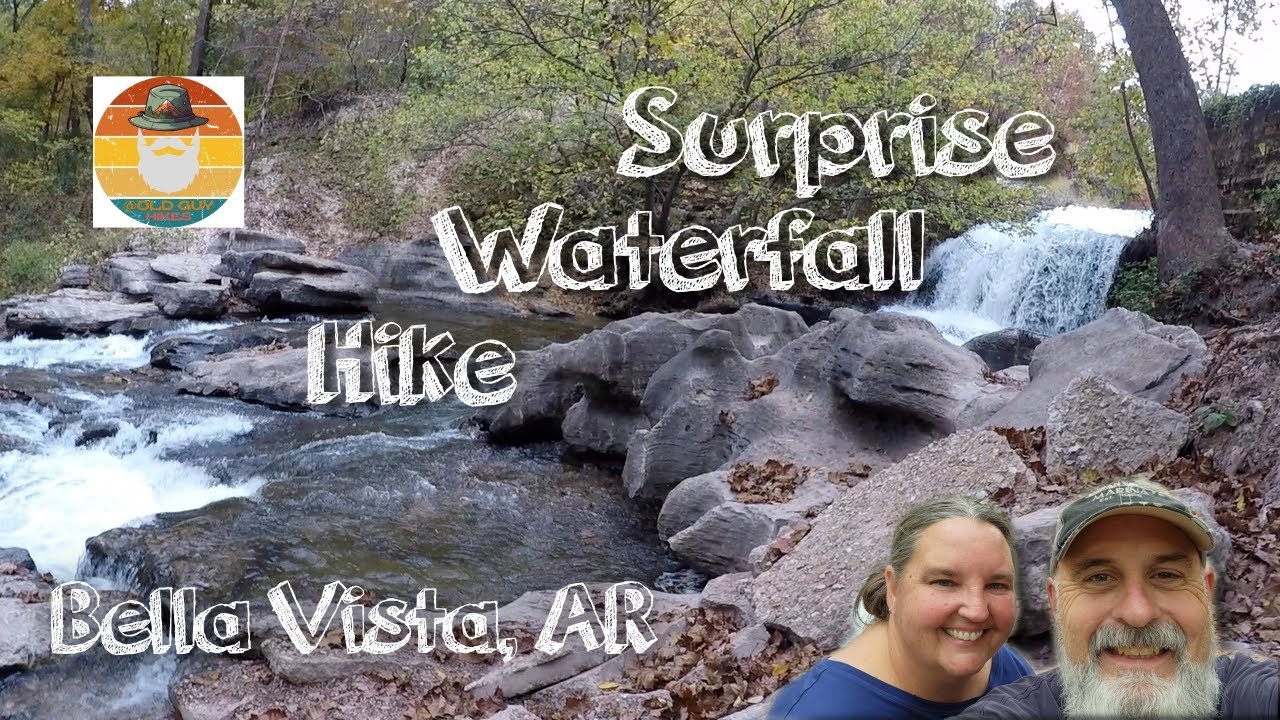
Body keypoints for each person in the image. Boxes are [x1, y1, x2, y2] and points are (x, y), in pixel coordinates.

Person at [949, 477, 1279, 719]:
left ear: (1206, 593)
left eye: (1166, 575)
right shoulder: (1016, 711)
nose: (1138, 613)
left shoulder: (1251, 695)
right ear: (1056, 602)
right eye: (1099, 578)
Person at [768, 495, 1034, 719]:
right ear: (893, 588)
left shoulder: (1007, 670)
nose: (977, 611)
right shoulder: (820, 712)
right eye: (944, 582)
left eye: (996, 585)